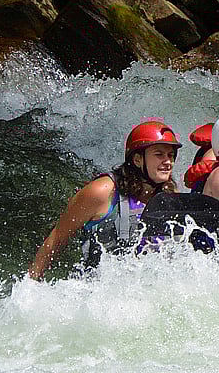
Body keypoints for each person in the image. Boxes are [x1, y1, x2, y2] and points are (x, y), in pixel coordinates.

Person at [28, 120, 182, 280]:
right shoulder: (102, 191)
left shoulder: (169, 194)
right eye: (159, 154)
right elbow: (57, 238)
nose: (168, 162)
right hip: (98, 289)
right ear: (137, 160)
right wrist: (31, 287)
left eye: (170, 155)